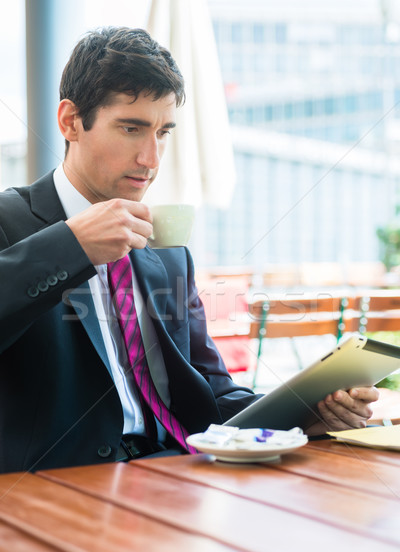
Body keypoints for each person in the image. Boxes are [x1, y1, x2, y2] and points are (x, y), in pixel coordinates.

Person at [0, 27, 378, 473]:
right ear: (70, 122)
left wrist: (305, 414)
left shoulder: (166, 248)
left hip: (178, 473)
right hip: (57, 485)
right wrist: (71, 245)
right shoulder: (11, 221)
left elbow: (212, 394)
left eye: (163, 132)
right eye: (131, 128)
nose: (151, 159)